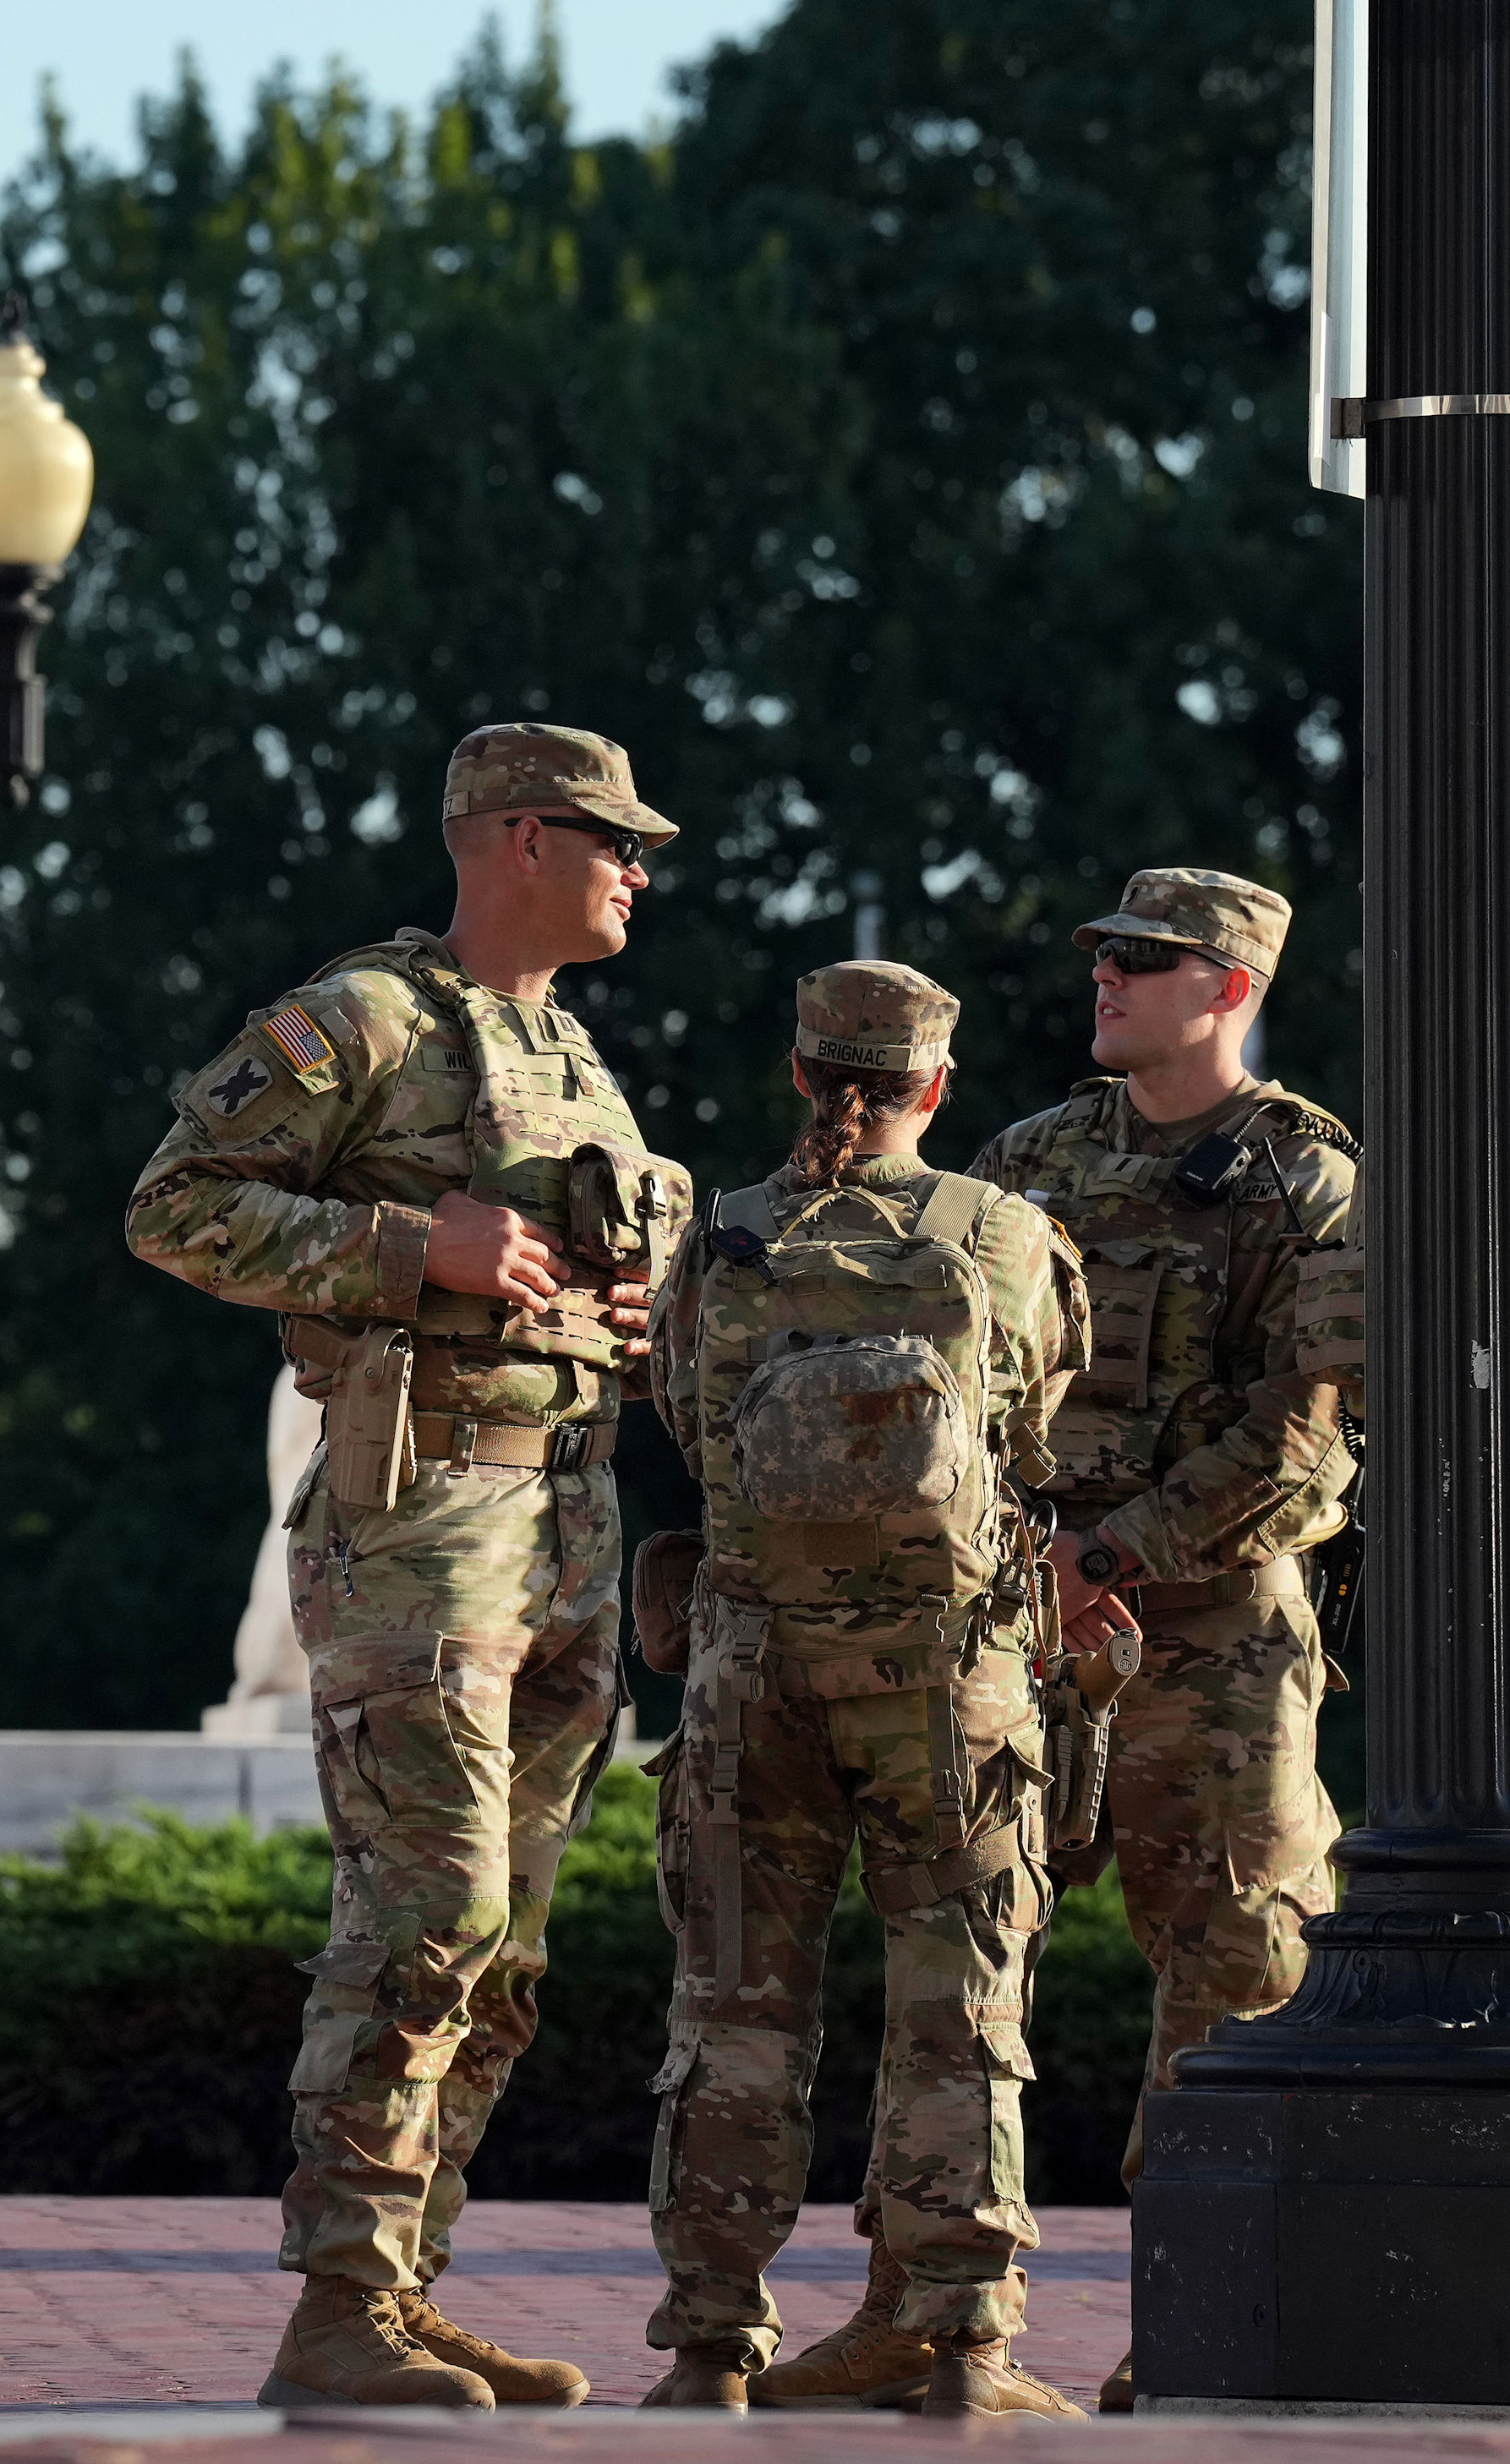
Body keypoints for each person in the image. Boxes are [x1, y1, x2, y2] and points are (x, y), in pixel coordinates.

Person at [124, 724, 690, 2411]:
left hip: (561, 1519)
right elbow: (171, 1203)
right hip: (417, 1516)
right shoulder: (363, 1019)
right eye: (611, 840)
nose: (635, 871)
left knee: (503, 1943)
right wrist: (401, 1243)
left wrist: (630, 1324)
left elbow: (573, 1292)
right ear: (517, 837)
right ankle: (335, 2299)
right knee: (422, 1907)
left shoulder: (576, 1060)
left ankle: (398, 2288)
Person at [637, 962, 1093, 2421]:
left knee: (732, 2003)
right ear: (936, 1087)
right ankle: (960, 2344)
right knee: (957, 2001)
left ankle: (709, 2347)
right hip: (946, 1676)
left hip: (749, 1667)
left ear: (797, 1073)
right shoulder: (1007, 1234)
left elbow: (686, 1430)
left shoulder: (719, 1241)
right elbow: (1036, 1433)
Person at [949, 869, 1354, 2415]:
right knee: (963, 1960)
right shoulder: (1030, 1159)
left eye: (1142, 958)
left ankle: (1197, 2332)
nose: (1104, 977)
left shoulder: (1307, 1180)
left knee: (1233, 1984)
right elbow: (947, 1383)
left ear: (1229, 983)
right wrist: (1022, 1557)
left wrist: (1109, 1551)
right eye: (1101, 955)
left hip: (1212, 1638)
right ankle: (951, 2324)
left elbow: (1303, 1440)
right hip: (1026, 1619)